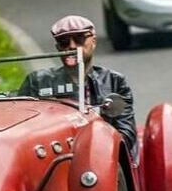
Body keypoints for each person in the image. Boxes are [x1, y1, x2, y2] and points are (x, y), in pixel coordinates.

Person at [17, 15, 138, 160]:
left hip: (102, 157)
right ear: (58, 48)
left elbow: (126, 133)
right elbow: (22, 131)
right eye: (63, 42)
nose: (72, 46)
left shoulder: (114, 81)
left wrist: (96, 147)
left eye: (79, 39)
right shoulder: (36, 81)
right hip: (53, 157)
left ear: (93, 41)